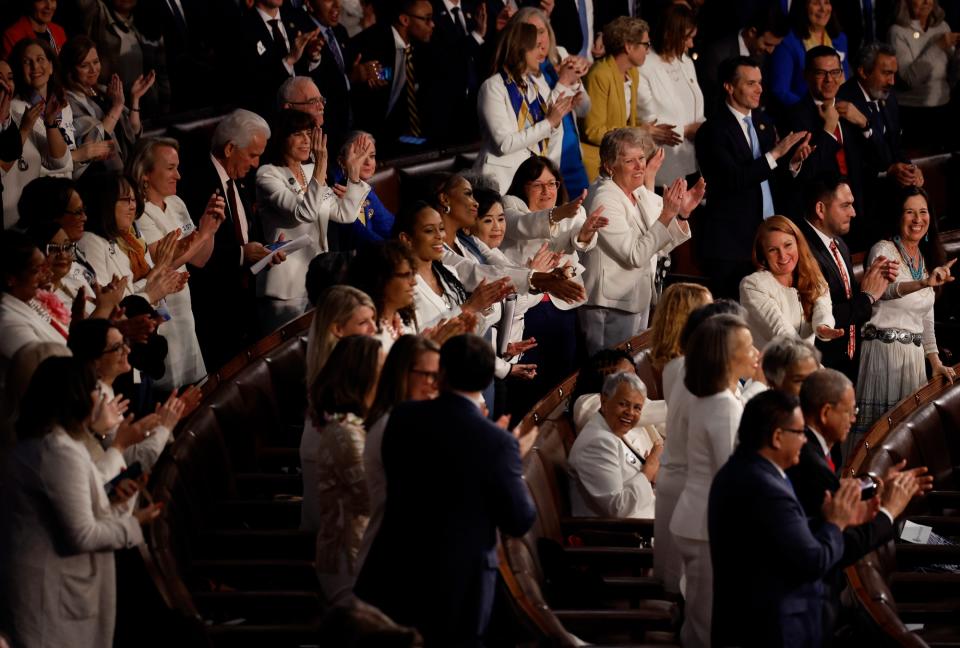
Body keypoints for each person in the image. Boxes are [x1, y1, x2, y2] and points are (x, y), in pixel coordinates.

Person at [355, 334, 537, 645]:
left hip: (398, 566)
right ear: (485, 379)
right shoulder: (497, 444)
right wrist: (511, 466)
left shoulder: (401, 418)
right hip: (460, 581)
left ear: (442, 373)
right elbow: (518, 520)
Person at [0, 356, 161, 648]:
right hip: (50, 597)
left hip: (53, 589)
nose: (101, 399)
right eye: (95, 391)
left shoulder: (53, 443)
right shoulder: (56, 451)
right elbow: (82, 535)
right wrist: (135, 523)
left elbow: (78, 516)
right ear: (75, 396)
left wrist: (117, 504)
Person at [709, 389, 859, 648]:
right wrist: (836, 523)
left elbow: (775, 536)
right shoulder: (766, 488)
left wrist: (823, 518)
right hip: (770, 631)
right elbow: (815, 560)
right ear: (777, 437)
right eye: (800, 432)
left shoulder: (743, 468)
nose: (804, 440)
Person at [789, 367, 925, 643]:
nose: (855, 418)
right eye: (850, 410)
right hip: (810, 607)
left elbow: (837, 493)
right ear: (826, 413)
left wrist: (874, 486)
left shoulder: (815, 451)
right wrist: (888, 512)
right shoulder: (810, 463)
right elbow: (839, 547)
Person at [669, 313, 760, 648]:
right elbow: (731, 477)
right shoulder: (722, 404)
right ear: (726, 357)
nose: (756, 354)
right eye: (748, 347)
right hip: (706, 527)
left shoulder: (720, 397)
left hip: (698, 520)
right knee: (707, 629)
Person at [695, 56, 812, 299]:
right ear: (729, 86)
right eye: (751, 83)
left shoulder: (763, 124)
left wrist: (791, 163)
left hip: (768, 240)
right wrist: (775, 153)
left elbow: (771, 176)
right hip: (732, 245)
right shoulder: (712, 130)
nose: (759, 89)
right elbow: (733, 180)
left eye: (760, 82)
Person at [177, 109, 285, 371]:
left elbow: (247, 234)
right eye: (252, 155)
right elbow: (193, 249)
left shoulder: (239, 182)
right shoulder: (195, 184)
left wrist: (265, 252)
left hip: (244, 306)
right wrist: (242, 254)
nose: (257, 163)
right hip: (214, 312)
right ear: (229, 149)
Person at [579, 127, 700, 355]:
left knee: (630, 373)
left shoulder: (637, 192)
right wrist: (667, 214)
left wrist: (680, 214)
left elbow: (658, 246)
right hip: (609, 306)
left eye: (642, 158)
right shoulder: (604, 199)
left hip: (636, 300)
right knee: (608, 377)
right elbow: (635, 255)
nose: (640, 166)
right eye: (630, 161)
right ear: (609, 166)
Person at [653, 299, 746, 595]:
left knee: (677, 587)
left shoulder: (677, 366)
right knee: (686, 592)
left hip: (677, 478)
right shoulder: (710, 386)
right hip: (694, 486)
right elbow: (726, 460)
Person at [500, 155, 605, 413]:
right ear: (523, 186)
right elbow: (523, 226)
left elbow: (582, 239)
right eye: (538, 185)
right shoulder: (510, 205)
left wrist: (586, 232)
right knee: (529, 377)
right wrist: (558, 213)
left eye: (552, 183)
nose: (547, 191)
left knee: (562, 375)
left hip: (561, 303)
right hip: (528, 305)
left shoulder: (573, 209)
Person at [853, 186, 956, 443]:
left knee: (905, 442)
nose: (917, 219)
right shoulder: (883, 250)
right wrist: (923, 283)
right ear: (898, 216)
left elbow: (926, 319)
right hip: (883, 355)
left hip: (913, 361)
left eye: (923, 212)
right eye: (910, 212)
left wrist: (934, 363)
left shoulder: (926, 258)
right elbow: (885, 291)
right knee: (878, 441)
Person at [255, 110, 371, 331]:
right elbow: (304, 213)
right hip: (286, 289)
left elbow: (344, 214)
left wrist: (353, 174)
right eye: (298, 134)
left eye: (309, 133)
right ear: (282, 137)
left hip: (318, 283)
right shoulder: (268, 175)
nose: (306, 140)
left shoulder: (310, 171)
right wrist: (321, 165)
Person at [128, 137, 225, 390]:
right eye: (170, 168)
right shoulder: (137, 213)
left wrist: (210, 228)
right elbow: (162, 263)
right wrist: (201, 234)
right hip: (160, 317)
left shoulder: (176, 204)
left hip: (185, 316)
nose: (178, 176)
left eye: (177, 167)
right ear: (146, 173)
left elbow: (200, 259)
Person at [301, 334, 382, 604]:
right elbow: (373, 500)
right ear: (363, 376)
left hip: (364, 554)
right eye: (383, 369)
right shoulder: (344, 435)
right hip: (351, 565)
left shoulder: (357, 423)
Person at [797, 174, 896, 381]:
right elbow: (818, 317)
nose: (853, 212)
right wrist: (867, 297)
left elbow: (843, 297)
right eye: (845, 205)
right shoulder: (802, 251)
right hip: (821, 368)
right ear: (820, 209)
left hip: (848, 362)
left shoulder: (840, 244)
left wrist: (873, 280)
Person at [67, 317, 187, 478]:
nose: (128, 350)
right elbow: (133, 460)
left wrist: (162, 421)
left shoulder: (104, 389)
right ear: (95, 362)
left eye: (125, 343)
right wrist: (164, 427)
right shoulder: (98, 401)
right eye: (117, 347)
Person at [358, 334, 440, 567]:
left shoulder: (409, 421)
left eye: (439, 376)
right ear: (403, 374)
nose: (435, 385)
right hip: (389, 560)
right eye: (428, 376)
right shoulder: (392, 425)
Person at [473, 18, 571, 193]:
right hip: (501, 183)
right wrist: (549, 123)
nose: (542, 52)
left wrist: (555, 125)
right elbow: (504, 144)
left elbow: (546, 141)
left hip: (534, 181)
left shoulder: (533, 86)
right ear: (520, 49)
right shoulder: (493, 87)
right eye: (536, 47)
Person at [581, 16, 684, 181]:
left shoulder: (632, 73)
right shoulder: (599, 75)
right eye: (645, 45)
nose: (648, 50)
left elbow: (627, 123)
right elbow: (592, 131)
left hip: (623, 162)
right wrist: (639, 132)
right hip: (600, 166)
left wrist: (650, 132)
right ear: (629, 47)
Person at [786, 45, 870, 236]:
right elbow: (807, 173)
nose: (829, 80)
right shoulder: (793, 117)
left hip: (858, 211)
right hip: (820, 221)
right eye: (821, 73)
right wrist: (828, 129)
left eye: (834, 72)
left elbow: (880, 160)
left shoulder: (852, 108)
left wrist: (865, 124)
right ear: (806, 75)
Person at [836, 42, 924, 209]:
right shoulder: (845, 102)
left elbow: (896, 146)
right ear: (863, 71)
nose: (892, 81)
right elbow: (856, 164)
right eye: (886, 73)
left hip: (889, 192)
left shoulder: (888, 98)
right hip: (861, 198)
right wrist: (888, 171)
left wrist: (911, 169)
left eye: (894, 74)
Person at [517, 7, 592, 196]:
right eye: (531, 33)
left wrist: (575, 84)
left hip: (573, 156)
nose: (539, 40)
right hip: (548, 162)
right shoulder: (522, 69)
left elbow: (584, 109)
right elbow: (541, 117)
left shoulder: (560, 54)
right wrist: (563, 82)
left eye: (541, 32)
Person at [568, 371, 662, 518]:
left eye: (637, 408)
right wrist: (648, 470)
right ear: (604, 401)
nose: (630, 413)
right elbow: (618, 507)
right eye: (623, 404)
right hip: (628, 534)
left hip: (651, 516)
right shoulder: (597, 442)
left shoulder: (612, 430)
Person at [739, 215, 840, 351]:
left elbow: (823, 309)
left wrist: (823, 327)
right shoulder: (753, 285)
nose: (783, 255)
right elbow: (781, 332)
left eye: (788, 245)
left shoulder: (814, 276)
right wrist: (812, 365)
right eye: (773, 250)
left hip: (802, 363)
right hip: (768, 369)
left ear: (798, 244)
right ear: (763, 255)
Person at [3, 38, 73, 229]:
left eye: (41, 59)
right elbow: (50, 165)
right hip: (35, 208)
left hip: (65, 200)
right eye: (27, 62)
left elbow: (61, 161)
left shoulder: (61, 105)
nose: (35, 66)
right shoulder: (15, 110)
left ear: (51, 66)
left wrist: (50, 123)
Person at [60, 36, 154, 175]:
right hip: (100, 176)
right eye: (84, 65)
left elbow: (133, 132)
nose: (93, 70)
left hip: (127, 168)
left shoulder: (103, 90)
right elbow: (94, 144)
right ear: (70, 69)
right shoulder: (68, 102)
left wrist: (135, 99)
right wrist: (116, 108)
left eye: (96, 62)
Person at [350, 0, 434, 152]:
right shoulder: (371, 42)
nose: (432, 25)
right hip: (361, 140)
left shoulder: (421, 48)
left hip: (396, 139)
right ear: (405, 20)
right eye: (427, 19)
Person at [635, 4, 704, 185]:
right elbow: (648, 121)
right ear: (670, 34)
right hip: (664, 166)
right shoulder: (644, 66)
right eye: (687, 38)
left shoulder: (686, 62)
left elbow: (697, 108)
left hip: (694, 160)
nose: (691, 44)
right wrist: (686, 130)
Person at [73, 0, 171, 117]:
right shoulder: (98, 14)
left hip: (144, 105)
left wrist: (165, 108)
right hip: (111, 107)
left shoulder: (143, 22)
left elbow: (160, 70)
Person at [889, 0, 960, 151]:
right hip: (912, 114)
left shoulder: (943, 27)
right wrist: (938, 46)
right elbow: (909, 79)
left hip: (943, 108)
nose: (927, 1)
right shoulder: (897, 31)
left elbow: (953, 76)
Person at [229, 0, 318, 116]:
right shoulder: (241, 28)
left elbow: (307, 73)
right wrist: (289, 60)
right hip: (268, 118)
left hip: (303, 114)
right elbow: (250, 84)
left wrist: (312, 57)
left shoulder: (296, 18)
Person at [696, 5, 788, 110]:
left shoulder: (762, 55)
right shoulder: (718, 54)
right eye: (767, 44)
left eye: (775, 46)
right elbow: (711, 99)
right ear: (752, 32)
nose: (771, 51)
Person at [0, 231, 68, 371]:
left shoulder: (29, 300)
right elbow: (50, 370)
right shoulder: (8, 323)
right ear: (11, 279)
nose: (47, 274)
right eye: (37, 270)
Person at [769, 0, 852, 109]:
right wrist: (814, 110)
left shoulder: (840, 39)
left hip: (839, 110)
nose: (823, 9)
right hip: (803, 114)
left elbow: (847, 83)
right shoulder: (788, 41)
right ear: (803, 7)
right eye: (816, 3)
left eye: (827, 2)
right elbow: (780, 90)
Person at [327, 130, 396, 252]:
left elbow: (390, 226)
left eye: (372, 156)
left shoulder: (366, 190)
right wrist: (393, 251)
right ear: (342, 161)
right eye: (360, 156)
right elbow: (360, 237)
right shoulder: (335, 189)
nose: (368, 162)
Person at [347, 241, 420, 351]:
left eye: (413, 274)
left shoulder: (405, 321)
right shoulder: (367, 331)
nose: (414, 282)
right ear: (381, 280)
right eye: (406, 275)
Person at [305, 285, 378, 389]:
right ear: (338, 329)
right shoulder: (338, 381)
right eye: (363, 323)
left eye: (373, 318)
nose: (374, 328)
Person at [647, 281, 712, 396]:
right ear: (686, 317)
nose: (714, 317)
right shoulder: (683, 366)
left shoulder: (691, 358)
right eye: (708, 311)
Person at [1, 0, 67, 58]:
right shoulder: (12, 36)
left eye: (52, 0)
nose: (49, 6)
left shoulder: (59, 31)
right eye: (41, 0)